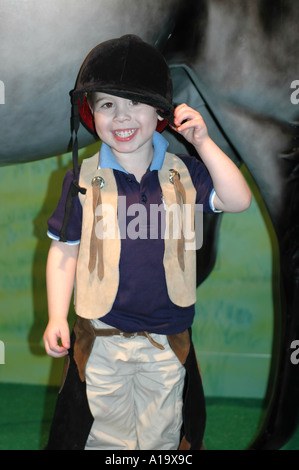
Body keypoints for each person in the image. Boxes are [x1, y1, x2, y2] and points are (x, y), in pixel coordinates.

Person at [43, 34, 251, 451]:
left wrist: (203, 143)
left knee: (162, 437)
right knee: (103, 437)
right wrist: (55, 316)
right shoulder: (81, 180)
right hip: (101, 336)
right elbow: (63, 250)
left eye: (134, 102)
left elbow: (237, 199)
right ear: (91, 114)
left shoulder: (185, 173)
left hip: (165, 340)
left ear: (160, 110)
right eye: (107, 104)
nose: (122, 116)